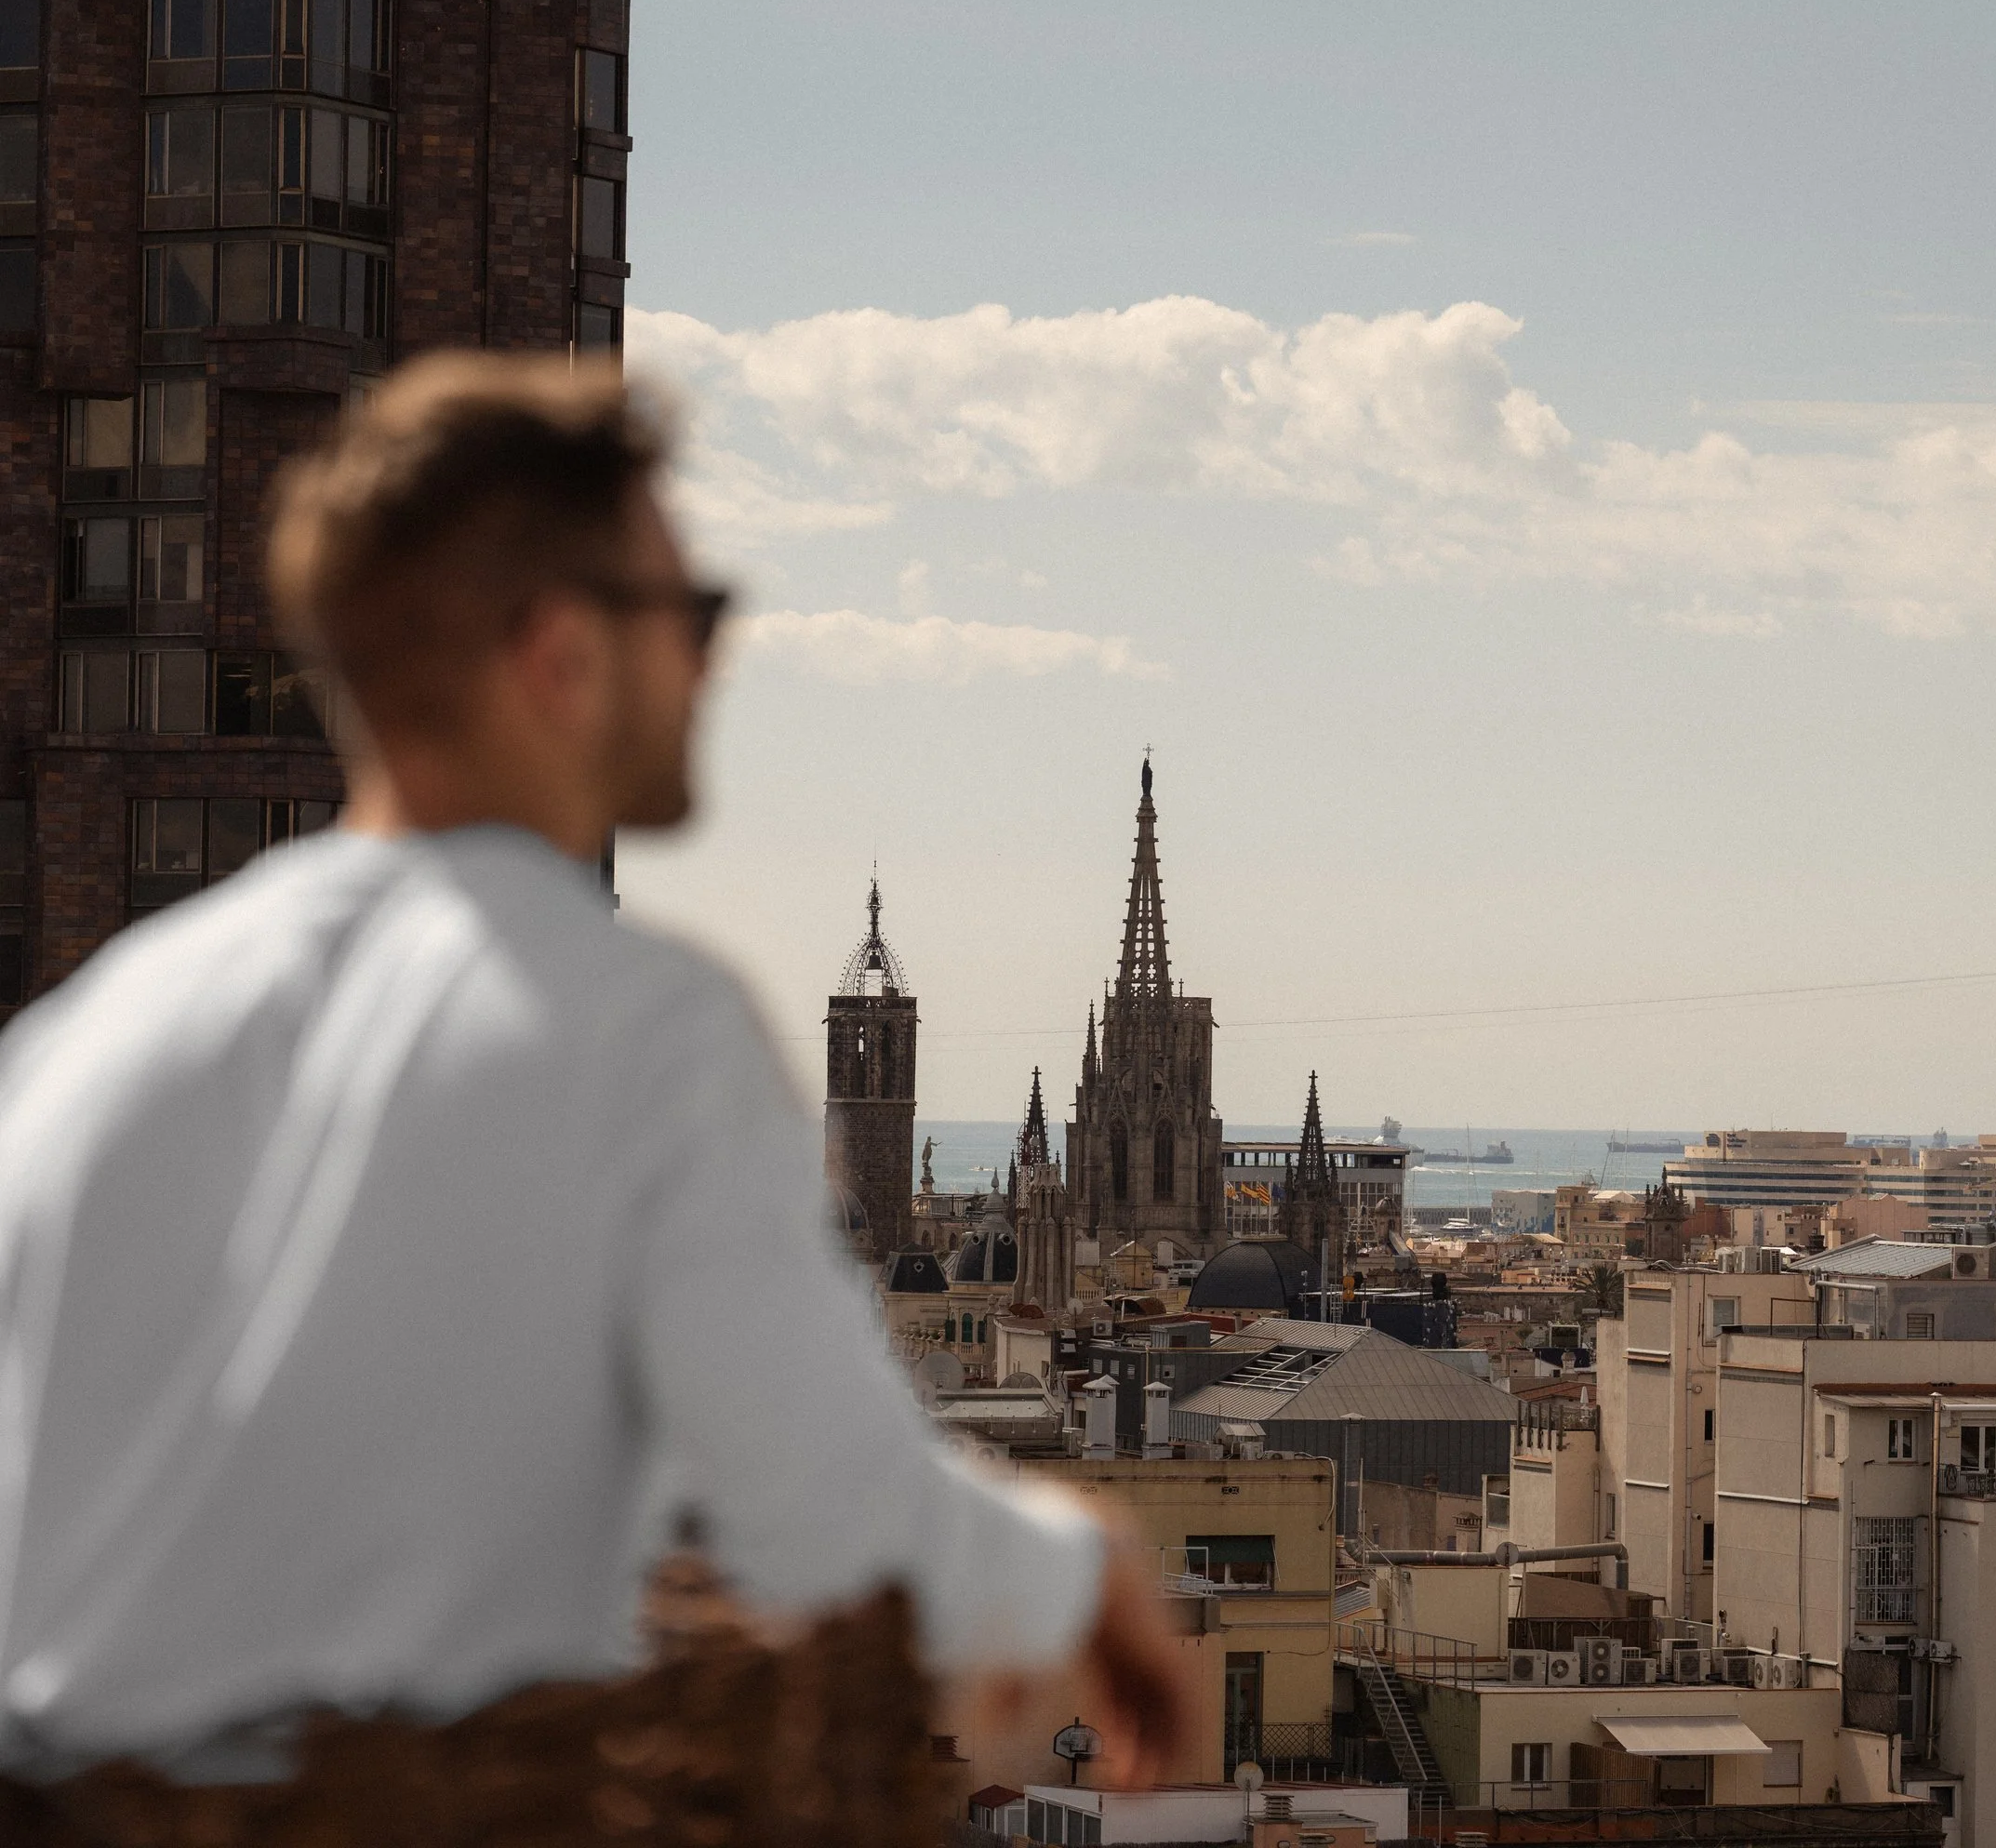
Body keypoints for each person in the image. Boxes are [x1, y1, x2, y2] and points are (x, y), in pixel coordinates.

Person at [0, 354, 1188, 1792]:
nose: (710, 663)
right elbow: (834, 1517)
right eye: (691, 613)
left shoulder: (90, 1032)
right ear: (561, 652)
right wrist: (1087, 1581)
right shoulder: (636, 1026)